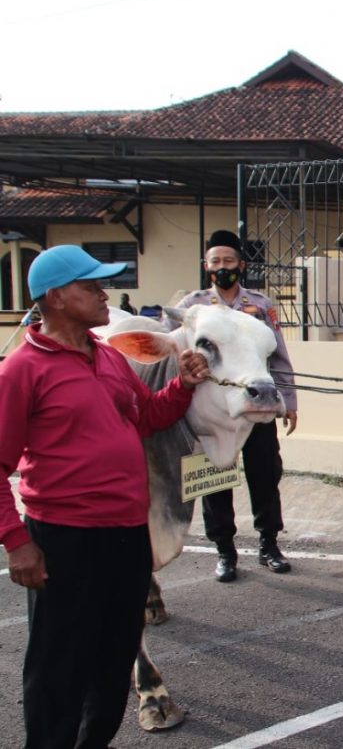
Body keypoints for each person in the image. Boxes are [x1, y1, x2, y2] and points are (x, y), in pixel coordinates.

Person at [0, 245, 209, 749]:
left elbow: (146, 418)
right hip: (65, 541)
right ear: (55, 297)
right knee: (59, 669)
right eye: (91, 285)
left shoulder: (110, 357)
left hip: (126, 537)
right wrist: (17, 541)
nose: (104, 293)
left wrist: (182, 385)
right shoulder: (21, 370)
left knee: (114, 664)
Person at [171, 229, 297, 582]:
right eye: (216, 262)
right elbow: (172, 353)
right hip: (211, 413)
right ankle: (224, 550)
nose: (223, 267)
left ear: (241, 264)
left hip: (256, 407)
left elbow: (280, 359)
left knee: (265, 473)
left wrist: (288, 401)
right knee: (213, 480)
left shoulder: (261, 305)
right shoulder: (190, 309)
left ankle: (269, 544)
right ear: (206, 266)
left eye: (229, 261)